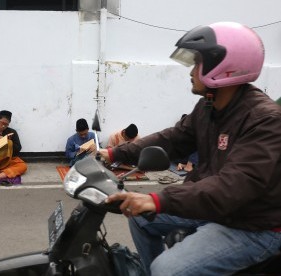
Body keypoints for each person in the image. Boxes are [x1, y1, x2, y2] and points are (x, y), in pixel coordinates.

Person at [98, 22, 281, 275]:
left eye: (198, 64)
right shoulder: (208, 107)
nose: (192, 71)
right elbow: (172, 139)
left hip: (252, 224)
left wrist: (159, 200)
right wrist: (115, 153)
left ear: (225, 68)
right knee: (138, 217)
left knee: (168, 268)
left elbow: (235, 186)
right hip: (220, 209)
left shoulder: (265, 119)